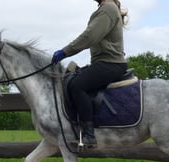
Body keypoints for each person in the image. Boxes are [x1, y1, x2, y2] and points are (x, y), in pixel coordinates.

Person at [52, 0, 128, 148]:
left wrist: (65, 51)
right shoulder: (105, 9)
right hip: (103, 63)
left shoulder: (107, 9)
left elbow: (89, 36)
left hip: (110, 63)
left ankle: (89, 134)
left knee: (77, 85)